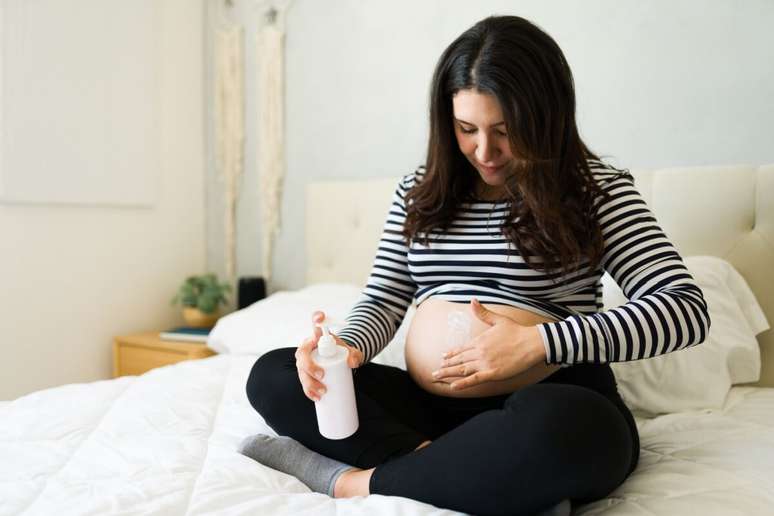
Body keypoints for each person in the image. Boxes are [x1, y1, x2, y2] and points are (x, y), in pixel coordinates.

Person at [239, 15, 711, 516]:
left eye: (506, 131)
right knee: (273, 375)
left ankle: (350, 482)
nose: (485, 151)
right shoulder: (419, 191)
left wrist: (537, 343)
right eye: (467, 129)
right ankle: (474, 476)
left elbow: (683, 309)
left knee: (565, 426)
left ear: (546, 118)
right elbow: (384, 298)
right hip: (426, 413)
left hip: (548, 397)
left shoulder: (598, 191)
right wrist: (345, 349)